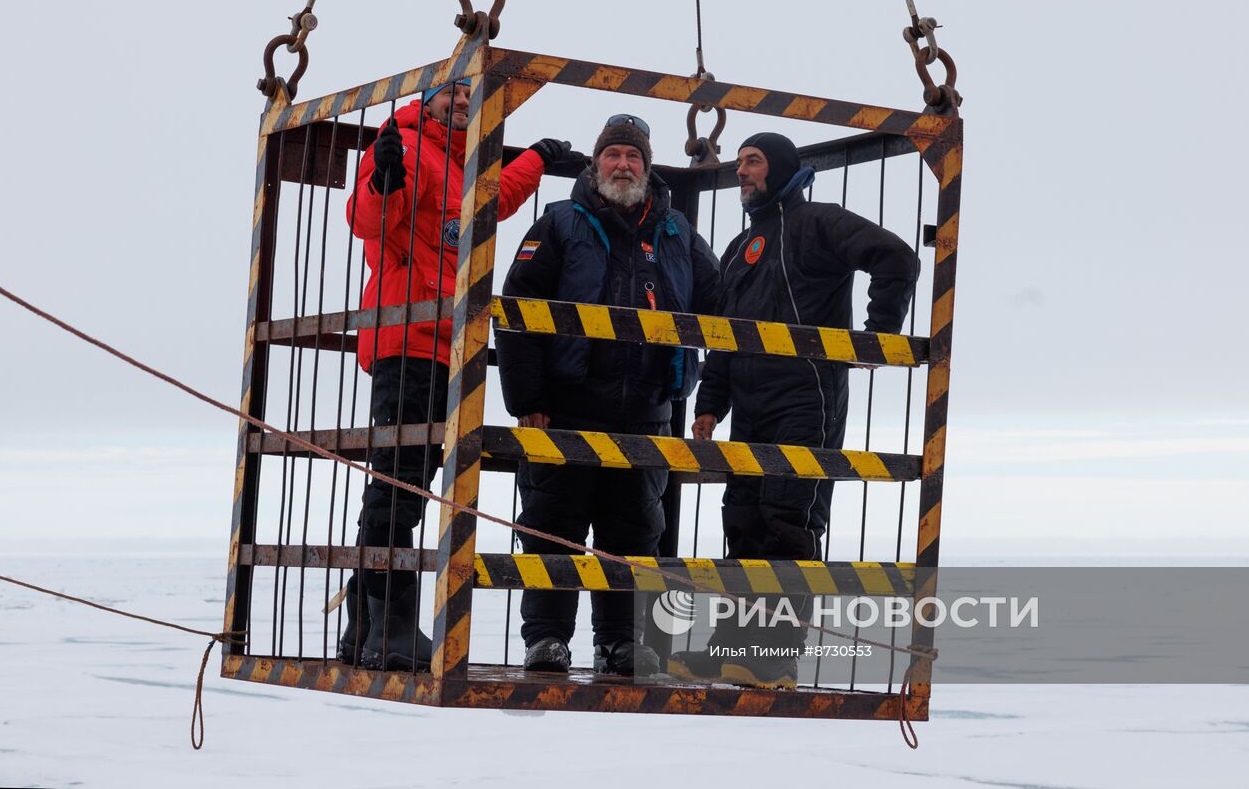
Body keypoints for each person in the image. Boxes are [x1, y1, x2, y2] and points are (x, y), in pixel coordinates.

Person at [338, 79, 580, 670]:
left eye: (473, 95)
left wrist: (537, 159)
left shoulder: (458, 161)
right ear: (429, 101)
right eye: (454, 94)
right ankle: (387, 630)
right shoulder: (405, 145)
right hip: (409, 342)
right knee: (400, 486)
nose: (464, 102)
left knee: (402, 484)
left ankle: (368, 631)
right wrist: (380, 179)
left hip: (444, 347)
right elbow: (369, 218)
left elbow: (491, 200)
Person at [671, 131, 919, 688]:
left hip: (807, 399)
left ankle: (775, 659)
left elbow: (897, 258)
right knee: (742, 522)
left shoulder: (819, 223)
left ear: (780, 168)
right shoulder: (740, 248)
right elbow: (726, 337)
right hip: (750, 408)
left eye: (752, 162)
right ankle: (730, 649)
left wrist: (877, 336)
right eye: (737, 164)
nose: (740, 172)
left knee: (788, 524)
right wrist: (710, 404)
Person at [495, 114, 721, 677]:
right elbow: (516, 308)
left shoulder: (679, 234)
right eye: (613, 154)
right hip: (565, 408)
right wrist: (527, 399)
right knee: (552, 526)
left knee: (633, 535)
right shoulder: (558, 223)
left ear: (647, 168)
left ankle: (620, 642)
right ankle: (546, 639)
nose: (623, 164)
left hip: (647, 413)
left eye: (634, 156)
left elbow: (724, 305)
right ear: (595, 165)